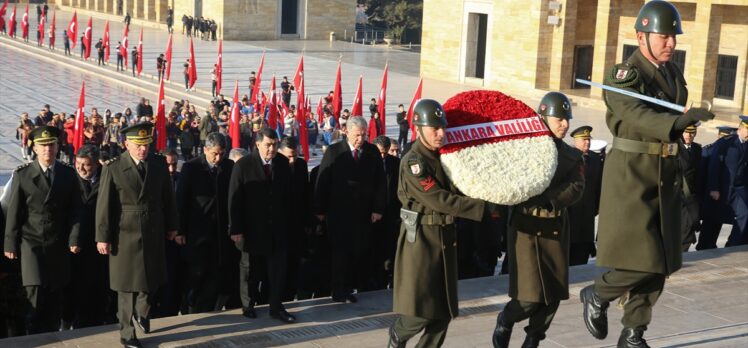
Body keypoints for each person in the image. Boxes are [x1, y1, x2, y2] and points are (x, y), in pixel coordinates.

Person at [579, 2, 715, 347]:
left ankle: (634, 332)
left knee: (665, 257)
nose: (671, 42)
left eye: (673, 36)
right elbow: (635, 113)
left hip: (665, 171)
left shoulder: (673, 74)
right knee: (643, 256)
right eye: (664, 36)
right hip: (633, 172)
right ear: (641, 36)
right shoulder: (624, 74)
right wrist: (678, 122)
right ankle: (597, 293)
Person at [387, 100, 488, 348]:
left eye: (442, 127)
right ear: (418, 128)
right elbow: (438, 199)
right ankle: (399, 333)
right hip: (421, 238)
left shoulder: (446, 157)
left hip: (445, 235)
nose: (441, 133)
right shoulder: (414, 162)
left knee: (443, 311)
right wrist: (482, 207)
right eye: (434, 128)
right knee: (420, 310)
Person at [492, 92, 585, 348]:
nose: (564, 124)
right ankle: (507, 318)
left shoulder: (572, 155)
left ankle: (533, 338)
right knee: (530, 295)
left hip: (555, 226)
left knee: (553, 294)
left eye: (567, 119)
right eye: (559, 119)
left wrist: (547, 198)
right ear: (543, 118)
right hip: (526, 229)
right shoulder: (523, 150)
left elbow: (577, 186)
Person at [95, 122, 179, 348]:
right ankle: (127, 332)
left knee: (151, 277)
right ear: (126, 144)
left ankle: (143, 311)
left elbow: (168, 198)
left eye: (146, 145)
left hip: (153, 226)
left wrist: (172, 225)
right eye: (138, 145)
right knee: (125, 285)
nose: (143, 149)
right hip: (124, 230)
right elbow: (104, 206)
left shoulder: (159, 165)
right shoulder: (113, 167)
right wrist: (102, 237)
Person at [4, 126, 82, 334]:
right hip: (32, 242)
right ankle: (34, 338)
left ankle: (50, 336)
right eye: (43, 145)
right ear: (35, 149)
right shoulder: (23, 174)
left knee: (55, 296)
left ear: (57, 147)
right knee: (35, 292)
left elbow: (75, 211)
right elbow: (15, 212)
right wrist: (10, 242)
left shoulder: (67, 174)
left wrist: (74, 238)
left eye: (51, 145)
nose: (47, 149)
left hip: (58, 241)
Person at [314, 116, 386, 304]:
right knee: (340, 252)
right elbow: (323, 180)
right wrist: (319, 209)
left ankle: (352, 286)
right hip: (339, 212)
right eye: (357, 135)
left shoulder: (372, 152)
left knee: (359, 250)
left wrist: (378, 208)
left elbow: (380, 182)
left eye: (364, 135)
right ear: (347, 132)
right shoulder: (334, 151)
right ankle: (338, 290)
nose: (360, 139)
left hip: (363, 213)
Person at [229, 128, 296, 324]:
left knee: (277, 269)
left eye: (275, 144)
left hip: (276, 228)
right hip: (251, 228)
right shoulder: (243, 165)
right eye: (268, 144)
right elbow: (234, 199)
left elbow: (288, 197)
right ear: (257, 144)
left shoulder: (282, 163)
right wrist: (236, 229)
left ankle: (276, 306)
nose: (272, 149)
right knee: (249, 269)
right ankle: (247, 305)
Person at [177, 133, 239, 313]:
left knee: (215, 274)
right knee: (197, 273)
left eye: (222, 154)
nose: (218, 158)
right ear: (205, 150)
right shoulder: (191, 168)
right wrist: (180, 229)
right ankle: (190, 305)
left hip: (221, 233)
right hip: (197, 232)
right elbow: (181, 200)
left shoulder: (229, 166)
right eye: (214, 154)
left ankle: (206, 308)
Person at [62, 145, 115, 329]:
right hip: (73, 244)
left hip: (99, 243)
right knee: (73, 287)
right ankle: (70, 319)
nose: (81, 169)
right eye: (78, 164)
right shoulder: (68, 177)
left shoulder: (108, 178)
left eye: (87, 165)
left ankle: (95, 321)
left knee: (98, 286)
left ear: (96, 164)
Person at [706, 116, 748, 248]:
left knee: (744, 213)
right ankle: (705, 246)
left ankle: (733, 244)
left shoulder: (746, 145)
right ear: (740, 128)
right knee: (714, 219)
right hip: (722, 188)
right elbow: (714, 165)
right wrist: (713, 187)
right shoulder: (726, 142)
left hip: (738, 190)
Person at [277, 136, 311, 301]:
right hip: (280, 225)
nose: (292, 160)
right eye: (288, 156)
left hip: (298, 224)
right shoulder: (275, 166)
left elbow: (305, 193)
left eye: (295, 156)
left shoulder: (301, 166)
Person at [566, 125, 602, 266]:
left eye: (588, 139)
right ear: (575, 141)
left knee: (582, 256)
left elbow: (598, 187)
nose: (587, 142)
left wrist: (596, 208)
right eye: (583, 140)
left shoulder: (595, 160)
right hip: (570, 214)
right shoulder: (567, 157)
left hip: (587, 216)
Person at [696, 126, 737, 250]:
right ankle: (704, 246)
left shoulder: (729, 149)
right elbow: (702, 176)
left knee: (716, 222)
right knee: (709, 223)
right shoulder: (708, 150)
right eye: (722, 136)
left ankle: (711, 245)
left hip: (722, 195)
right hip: (709, 195)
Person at [371, 136, 401, 290]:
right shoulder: (367, 162)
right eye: (380, 152)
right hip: (372, 216)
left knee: (390, 250)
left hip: (391, 215)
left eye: (386, 152)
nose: (382, 156)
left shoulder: (396, 163)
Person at [679, 123, 702, 251]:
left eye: (692, 132)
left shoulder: (697, 149)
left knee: (689, 226)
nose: (689, 135)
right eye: (686, 132)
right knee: (683, 228)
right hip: (677, 196)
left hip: (691, 198)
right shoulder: (673, 147)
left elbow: (699, 174)